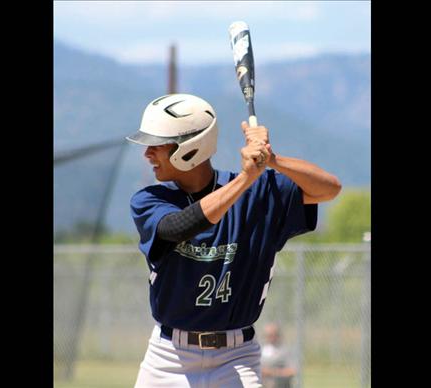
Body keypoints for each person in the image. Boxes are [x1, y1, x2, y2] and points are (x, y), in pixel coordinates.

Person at [126, 93, 341, 388]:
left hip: (236, 357)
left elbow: (329, 189)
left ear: (188, 148)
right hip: (168, 358)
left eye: (156, 145)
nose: (147, 154)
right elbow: (177, 228)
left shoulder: (261, 192)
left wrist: (273, 160)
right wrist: (245, 179)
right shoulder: (152, 199)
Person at [261, 323, 296, 388]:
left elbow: (292, 371)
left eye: (272, 335)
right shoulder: (261, 350)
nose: (270, 338)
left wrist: (271, 372)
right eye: (268, 335)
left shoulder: (284, 351)